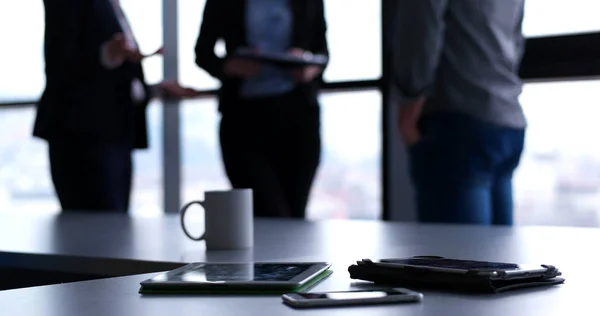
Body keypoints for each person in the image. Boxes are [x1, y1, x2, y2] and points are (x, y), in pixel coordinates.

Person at [34, 0, 198, 212]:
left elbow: (115, 77)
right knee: (94, 228)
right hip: (84, 136)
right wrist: (105, 55)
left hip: (115, 134)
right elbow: (59, 64)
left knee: (113, 225)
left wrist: (154, 89)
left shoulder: (110, 6)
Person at [393, 0, 527, 225]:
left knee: (456, 256)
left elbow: (421, 27)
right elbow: (515, 39)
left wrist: (410, 98)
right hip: (507, 119)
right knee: (497, 255)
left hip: (457, 119)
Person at [194, 0, 329, 218]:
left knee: (295, 215)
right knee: (267, 212)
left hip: (297, 119)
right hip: (244, 121)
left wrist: (308, 66)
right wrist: (230, 65)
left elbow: (322, 52)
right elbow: (203, 53)